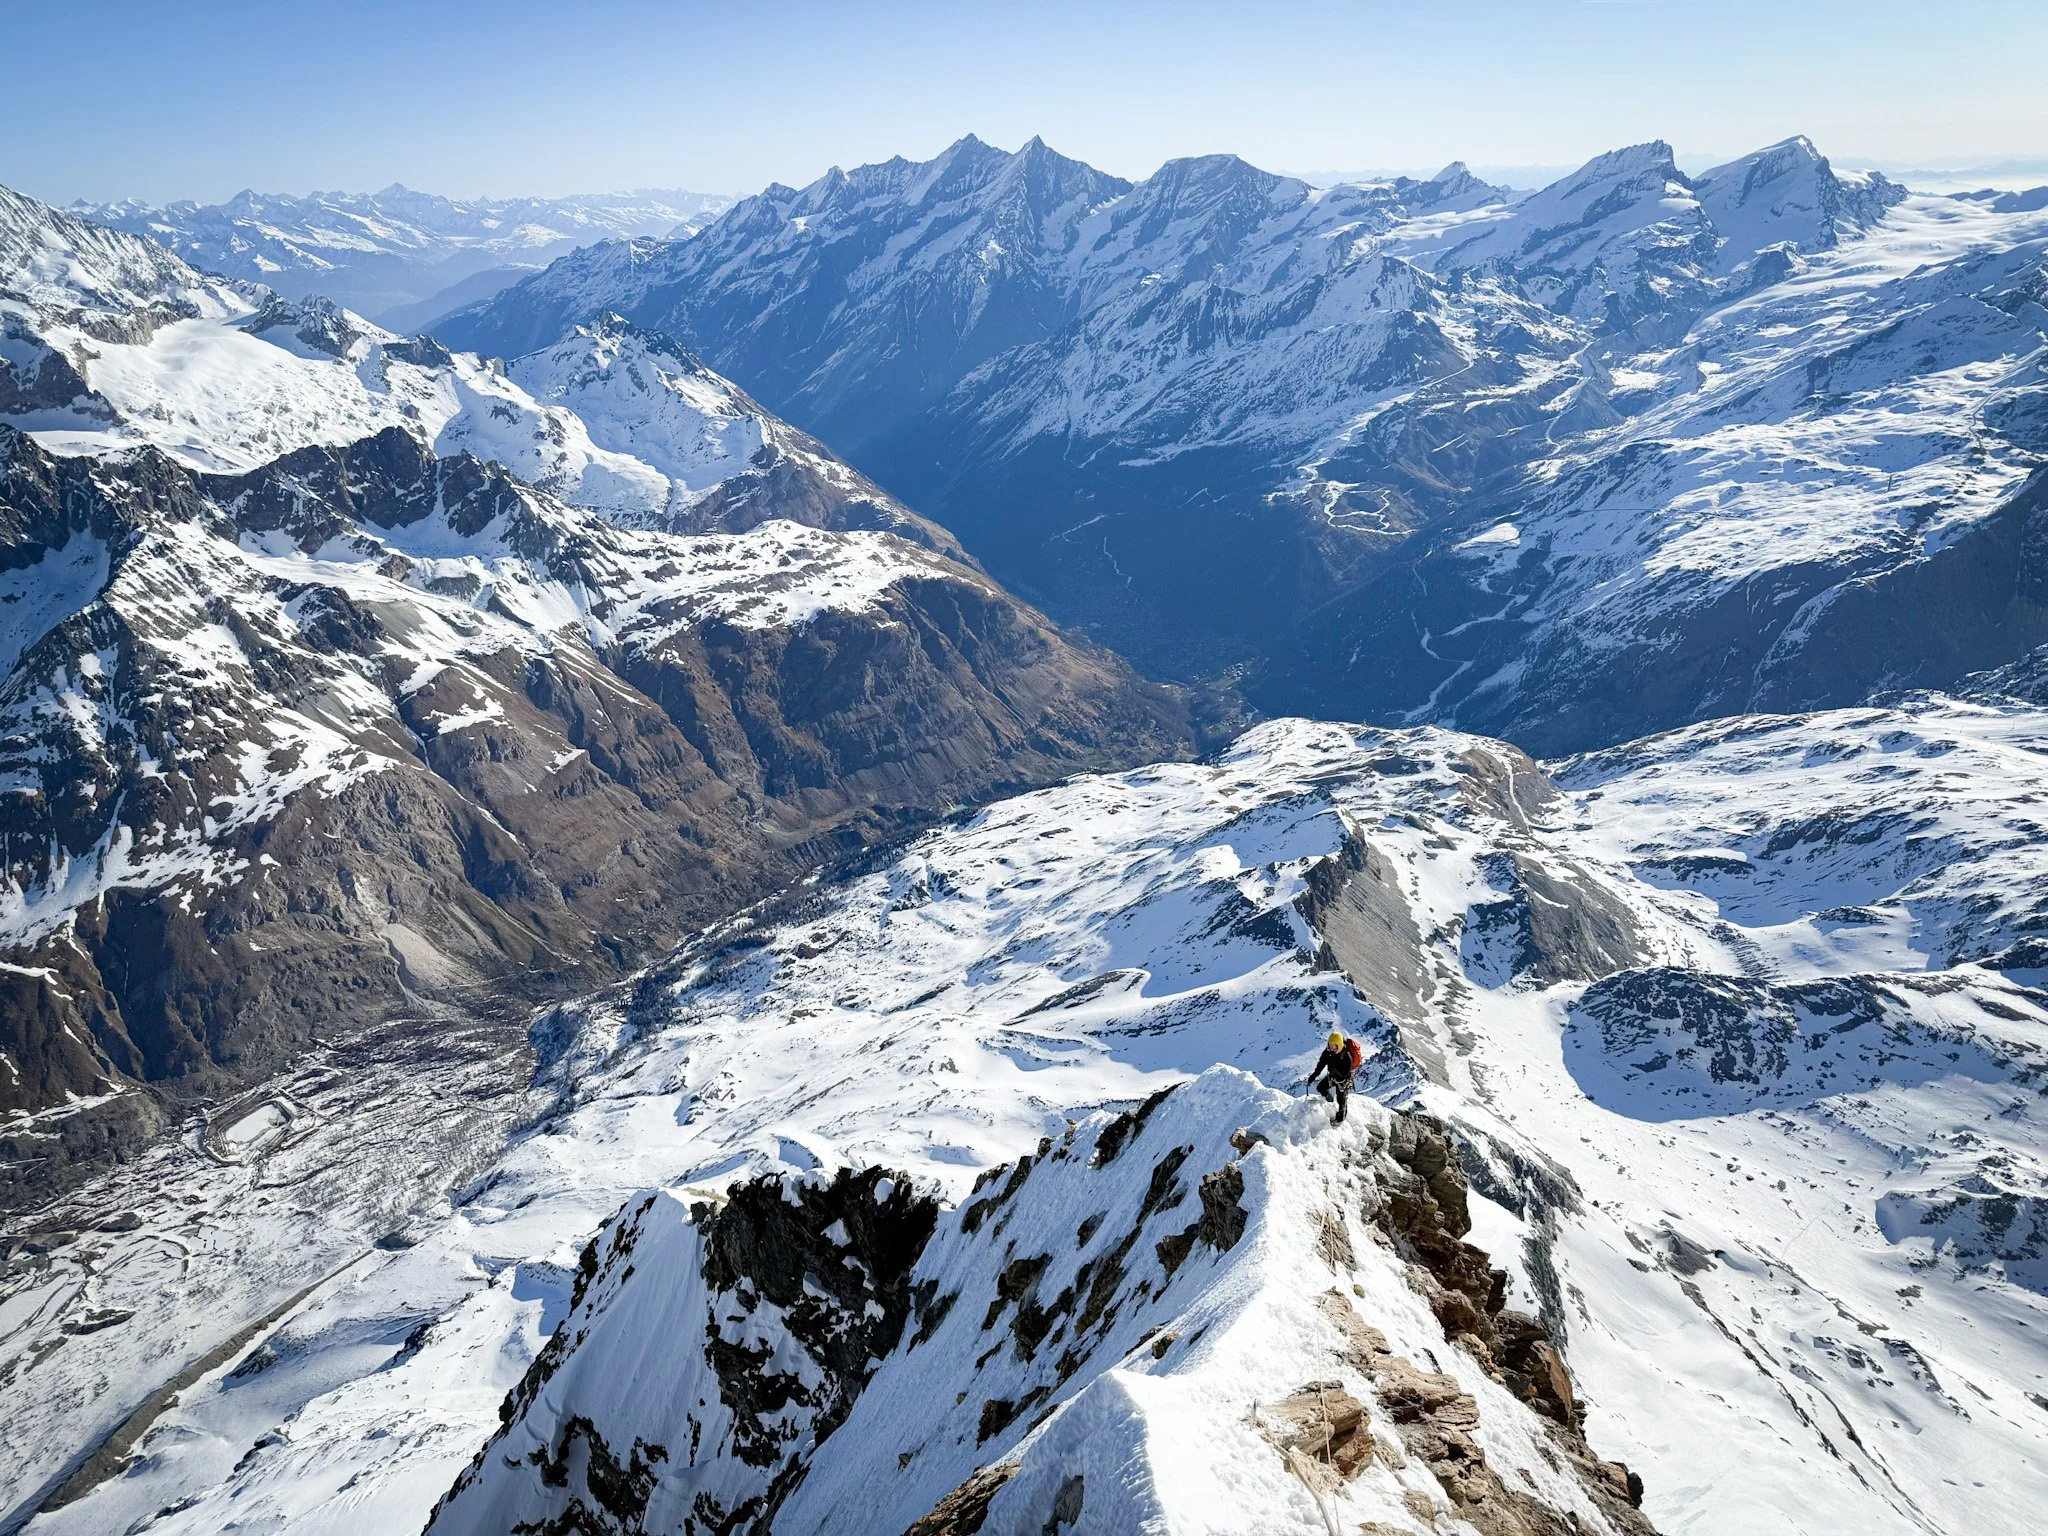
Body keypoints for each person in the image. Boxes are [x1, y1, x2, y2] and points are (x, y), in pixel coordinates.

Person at [1306, 1030, 1361, 1124]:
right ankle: (1330, 1099)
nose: (1331, 1047)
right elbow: (1321, 1064)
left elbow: (1346, 1072)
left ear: (1339, 1044)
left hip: (1343, 1081)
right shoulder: (1328, 1052)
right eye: (1330, 1044)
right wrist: (1314, 1075)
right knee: (1321, 1088)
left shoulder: (1346, 1055)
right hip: (1332, 1077)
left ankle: (1340, 1120)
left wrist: (1335, 1071)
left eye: (1333, 1045)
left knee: (1341, 1100)